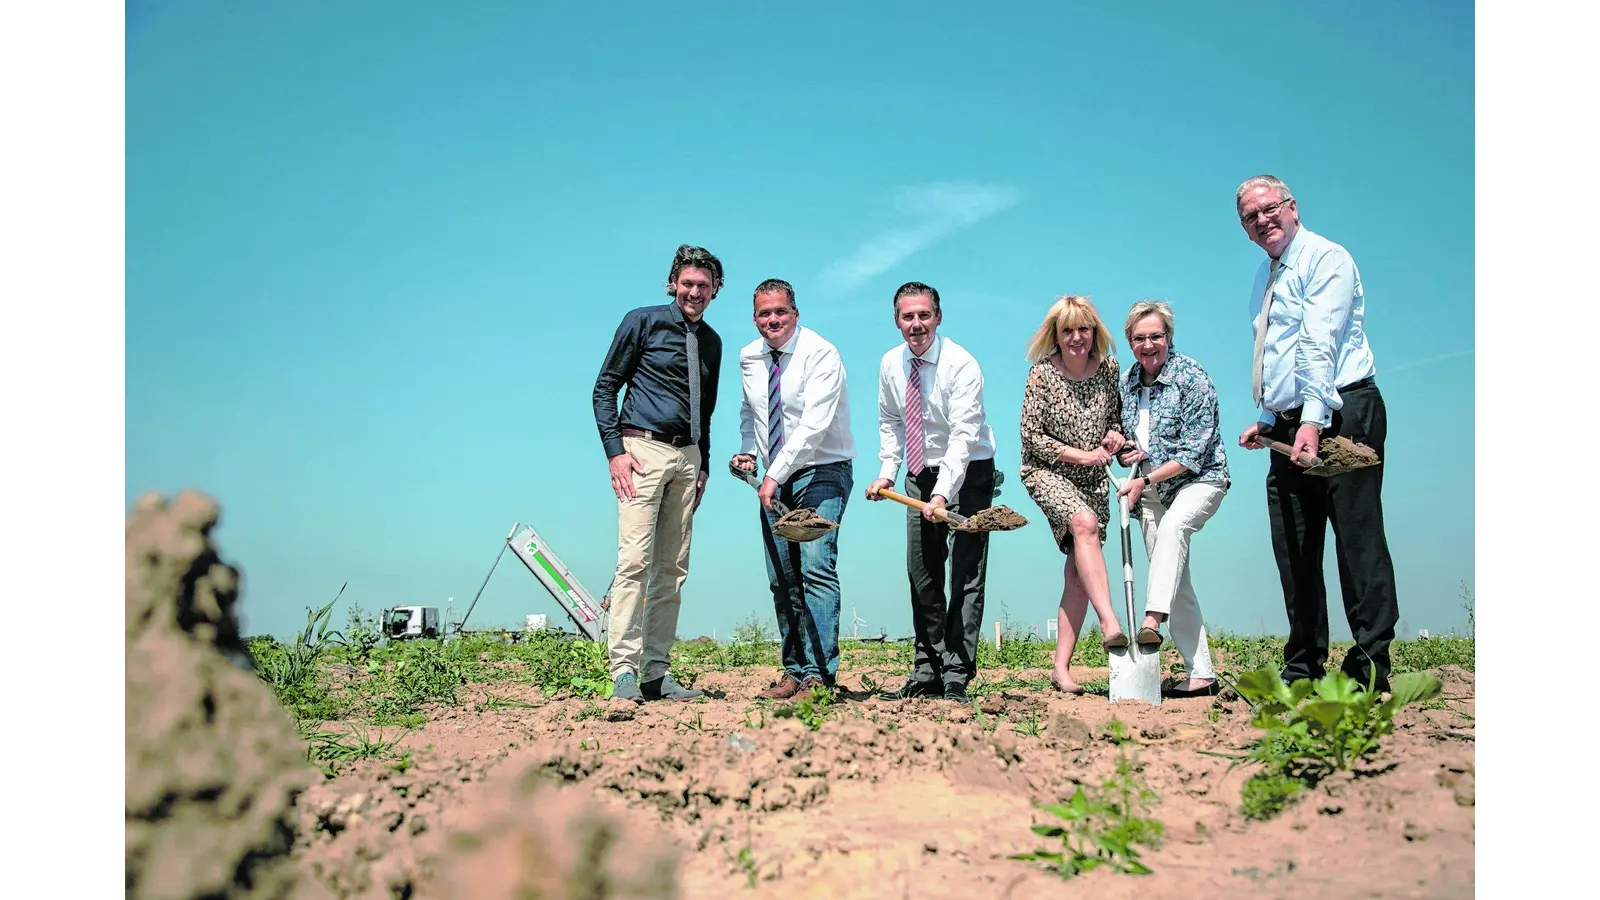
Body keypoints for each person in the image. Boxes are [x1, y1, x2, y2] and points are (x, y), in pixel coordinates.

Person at [1234, 174, 1399, 692]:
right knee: (1295, 546)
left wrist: (1310, 418)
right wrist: (1271, 414)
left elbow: (1319, 341)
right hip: (1290, 422)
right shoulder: (1265, 275)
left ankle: (1370, 663)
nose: (1262, 220)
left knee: (1357, 538)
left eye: (1269, 209)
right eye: (1250, 217)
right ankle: (1304, 662)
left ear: (1292, 207)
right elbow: (1277, 353)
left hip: (1343, 411)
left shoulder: (1327, 259)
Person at [592, 244, 725, 703]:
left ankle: (655, 672)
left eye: (703, 286)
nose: (694, 292)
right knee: (634, 564)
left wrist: (703, 464)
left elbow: (705, 411)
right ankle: (623, 672)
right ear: (674, 284)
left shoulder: (712, 342)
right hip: (641, 451)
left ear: (715, 291)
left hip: (687, 460)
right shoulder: (642, 321)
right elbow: (605, 386)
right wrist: (615, 452)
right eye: (687, 283)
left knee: (672, 569)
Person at [865, 282, 997, 704]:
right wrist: (888, 471)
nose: (916, 324)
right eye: (908, 316)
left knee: (966, 572)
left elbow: (963, 435)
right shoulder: (890, 363)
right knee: (921, 572)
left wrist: (942, 494)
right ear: (897, 320)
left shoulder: (962, 364)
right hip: (919, 473)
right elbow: (890, 421)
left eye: (924, 315)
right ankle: (927, 668)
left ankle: (957, 672)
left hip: (969, 471)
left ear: (938, 317)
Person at [729, 279, 856, 700]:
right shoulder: (750, 356)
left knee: (815, 568)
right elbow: (751, 409)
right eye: (764, 314)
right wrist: (749, 451)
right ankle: (795, 670)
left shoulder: (821, 353)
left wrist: (774, 474)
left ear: (795, 313)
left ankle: (821, 675)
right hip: (775, 477)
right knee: (782, 577)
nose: (772, 320)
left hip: (822, 471)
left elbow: (813, 428)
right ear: (755, 318)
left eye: (780, 312)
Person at [1112, 300, 1229, 698]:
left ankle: (1151, 618)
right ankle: (1201, 673)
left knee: (1175, 528)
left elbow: (1196, 451)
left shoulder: (1193, 378)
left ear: (1169, 337)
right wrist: (1125, 451)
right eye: (1140, 338)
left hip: (1200, 481)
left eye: (1156, 336)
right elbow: (1133, 444)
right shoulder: (1127, 383)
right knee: (1175, 576)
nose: (1149, 345)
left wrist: (1146, 480)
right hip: (1150, 491)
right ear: (1130, 342)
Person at [1017, 295, 1130, 694]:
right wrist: (1081, 456)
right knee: (1084, 523)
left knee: (1078, 574)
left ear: (1094, 332)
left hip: (1094, 477)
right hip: (1047, 471)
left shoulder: (1110, 370)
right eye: (1068, 330)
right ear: (1056, 335)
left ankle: (1061, 669)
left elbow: (1116, 419)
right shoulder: (1042, 375)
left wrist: (1115, 436)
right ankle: (1110, 622)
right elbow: (1031, 437)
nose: (1076, 337)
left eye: (1083, 328)